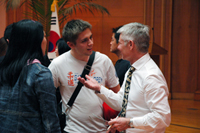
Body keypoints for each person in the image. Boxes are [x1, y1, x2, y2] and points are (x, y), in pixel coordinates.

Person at [78, 22, 171, 133]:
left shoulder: (150, 76)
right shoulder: (132, 70)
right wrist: (99, 88)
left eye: (120, 43)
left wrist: (129, 123)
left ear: (131, 45)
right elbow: (122, 102)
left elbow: (162, 118)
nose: (118, 47)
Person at [48, 19, 120, 133]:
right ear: (71, 44)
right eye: (84, 40)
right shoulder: (57, 64)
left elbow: (117, 95)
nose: (90, 43)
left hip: (102, 129)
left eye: (91, 37)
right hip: (72, 130)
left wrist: (117, 121)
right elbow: (47, 98)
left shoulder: (104, 61)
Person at [0, 19, 61, 133]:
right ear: (35, 42)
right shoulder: (40, 73)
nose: (45, 40)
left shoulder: (3, 67)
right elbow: (50, 120)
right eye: (43, 36)